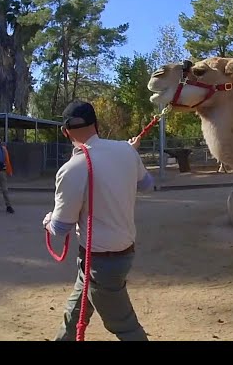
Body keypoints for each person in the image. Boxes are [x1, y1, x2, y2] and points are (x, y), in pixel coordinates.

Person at [43, 100, 154, 341]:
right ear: (97, 124)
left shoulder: (72, 168)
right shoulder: (125, 151)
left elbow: (60, 228)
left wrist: (48, 221)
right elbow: (147, 185)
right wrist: (129, 155)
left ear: (65, 131)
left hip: (101, 262)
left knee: (125, 326)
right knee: (74, 313)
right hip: (115, 255)